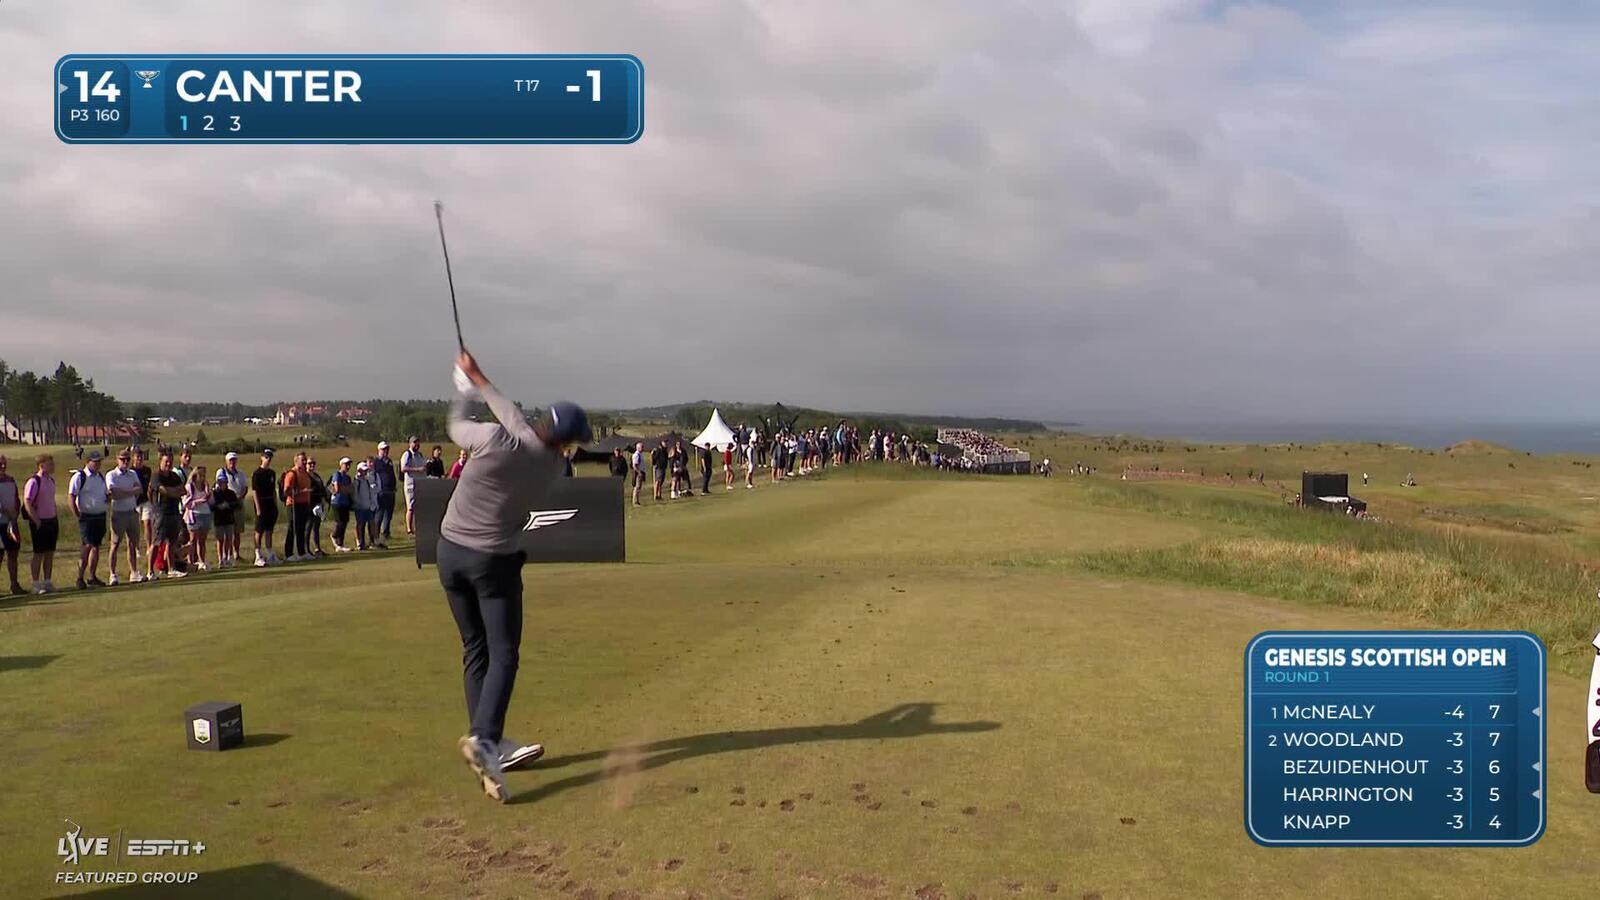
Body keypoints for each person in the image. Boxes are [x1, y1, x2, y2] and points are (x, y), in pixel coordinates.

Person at [440, 350, 588, 802]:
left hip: (449, 554)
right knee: (505, 654)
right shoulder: (552, 467)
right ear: (566, 442)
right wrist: (479, 379)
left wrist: (466, 388)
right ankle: (486, 740)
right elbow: (518, 423)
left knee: (475, 650)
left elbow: (459, 427)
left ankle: (486, 743)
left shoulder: (491, 440)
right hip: (493, 563)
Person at [68, 451, 109, 589]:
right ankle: (80, 577)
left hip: (100, 515)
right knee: (86, 547)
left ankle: (92, 576)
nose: (98, 464)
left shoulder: (100, 477)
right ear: (87, 462)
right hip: (87, 516)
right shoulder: (80, 477)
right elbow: (72, 497)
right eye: (95, 461)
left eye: (99, 462)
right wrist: (77, 515)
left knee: (96, 547)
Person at [105, 449, 144, 584]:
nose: (125, 462)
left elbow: (139, 489)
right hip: (118, 513)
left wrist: (124, 493)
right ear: (117, 459)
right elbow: (114, 493)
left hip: (132, 512)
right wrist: (130, 492)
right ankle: (113, 574)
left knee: (132, 543)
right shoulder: (111, 475)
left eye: (127, 459)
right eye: (123, 459)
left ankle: (134, 572)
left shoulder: (132, 473)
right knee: (115, 544)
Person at [22, 454, 59, 594]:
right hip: (39, 521)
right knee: (39, 553)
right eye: (50, 464)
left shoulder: (51, 481)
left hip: (51, 520)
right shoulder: (34, 481)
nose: (53, 466)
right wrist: (36, 520)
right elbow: (27, 502)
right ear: (42, 465)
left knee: (50, 552)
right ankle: (36, 584)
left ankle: (47, 581)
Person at [149, 450, 187, 580]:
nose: (168, 464)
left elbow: (183, 490)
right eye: (166, 461)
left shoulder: (174, 476)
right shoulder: (156, 476)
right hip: (160, 512)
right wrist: (172, 491)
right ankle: (150, 571)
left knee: (171, 542)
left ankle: (171, 569)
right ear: (161, 461)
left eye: (170, 461)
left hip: (173, 511)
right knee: (156, 542)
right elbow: (162, 490)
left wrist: (172, 491)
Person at [215, 452, 248, 567]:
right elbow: (218, 486)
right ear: (226, 461)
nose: (232, 463)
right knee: (225, 533)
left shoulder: (241, 473)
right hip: (225, 505)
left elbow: (245, 487)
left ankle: (235, 553)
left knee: (237, 531)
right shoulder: (222, 472)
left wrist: (240, 497)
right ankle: (224, 556)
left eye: (234, 460)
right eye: (230, 460)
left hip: (237, 503)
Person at [281, 452, 313, 562]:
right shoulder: (292, 474)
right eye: (302, 460)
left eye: (305, 460)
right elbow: (286, 491)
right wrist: (300, 491)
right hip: (294, 504)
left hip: (304, 504)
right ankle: (288, 553)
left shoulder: (305, 473)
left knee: (301, 529)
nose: (304, 462)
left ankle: (301, 552)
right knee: (292, 528)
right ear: (296, 461)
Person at [252, 449, 280, 567]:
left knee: (269, 530)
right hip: (261, 502)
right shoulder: (257, 473)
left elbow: (273, 490)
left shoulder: (271, 473)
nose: (268, 460)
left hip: (270, 503)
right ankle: (258, 554)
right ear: (262, 458)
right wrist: (258, 508)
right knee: (259, 530)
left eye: (270, 458)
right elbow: (254, 491)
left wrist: (275, 503)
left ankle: (270, 553)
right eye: (266, 457)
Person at [0, 455, 23, 594]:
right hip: (1, 522)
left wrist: (15, 513)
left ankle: (14, 584)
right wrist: (7, 513)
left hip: (10, 523)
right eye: (0, 464)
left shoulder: (10, 480)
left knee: (13, 554)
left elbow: (16, 499)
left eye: (4, 464)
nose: (3, 467)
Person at [183, 465, 213, 572]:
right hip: (193, 515)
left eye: (204, 475)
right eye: (200, 475)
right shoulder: (189, 487)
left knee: (202, 540)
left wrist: (209, 495)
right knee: (192, 540)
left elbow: (211, 501)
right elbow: (186, 503)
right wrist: (201, 500)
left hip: (205, 514)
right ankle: (190, 561)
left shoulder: (206, 486)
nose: (203, 477)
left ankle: (201, 561)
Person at [210, 468, 239, 568]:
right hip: (219, 519)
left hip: (229, 519)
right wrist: (219, 506)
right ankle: (220, 559)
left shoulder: (231, 493)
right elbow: (212, 506)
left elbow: (236, 504)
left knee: (229, 539)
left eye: (224, 481)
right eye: (220, 481)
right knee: (220, 539)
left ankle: (227, 557)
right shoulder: (215, 493)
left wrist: (228, 505)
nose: (222, 483)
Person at [401, 436, 427, 536]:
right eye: (414, 442)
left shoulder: (420, 455)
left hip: (420, 483)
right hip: (410, 484)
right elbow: (403, 468)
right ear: (410, 443)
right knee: (410, 507)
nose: (416, 445)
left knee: (419, 507)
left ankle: (418, 527)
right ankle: (409, 529)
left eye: (418, 442)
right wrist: (417, 469)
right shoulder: (407, 454)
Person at [372, 441, 397, 546]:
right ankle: (375, 535)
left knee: (389, 514)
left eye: (387, 449)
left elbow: (392, 474)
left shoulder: (389, 461)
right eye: (383, 449)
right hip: (381, 491)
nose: (385, 451)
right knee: (380, 514)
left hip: (390, 490)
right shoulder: (376, 462)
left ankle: (386, 533)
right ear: (379, 450)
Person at [329, 457, 355, 552]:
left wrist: (345, 489)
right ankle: (334, 536)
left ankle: (340, 544)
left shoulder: (347, 477)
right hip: (337, 502)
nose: (348, 466)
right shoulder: (337, 474)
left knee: (344, 522)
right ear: (341, 465)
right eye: (346, 464)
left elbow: (351, 490)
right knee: (340, 522)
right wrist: (346, 489)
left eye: (349, 465)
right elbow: (337, 488)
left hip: (345, 502)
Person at [133, 447, 154, 556]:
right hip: (134, 502)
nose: (139, 459)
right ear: (133, 458)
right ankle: (136, 548)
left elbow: (150, 485)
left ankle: (149, 546)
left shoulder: (147, 470)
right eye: (137, 457)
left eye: (141, 457)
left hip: (145, 500)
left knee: (147, 524)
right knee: (136, 527)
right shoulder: (131, 470)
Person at [354, 459, 379, 550]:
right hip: (360, 507)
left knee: (372, 523)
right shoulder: (357, 480)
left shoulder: (367, 480)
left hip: (368, 506)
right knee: (360, 525)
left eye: (366, 470)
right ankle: (359, 542)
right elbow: (355, 494)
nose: (365, 472)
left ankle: (375, 541)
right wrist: (358, 504)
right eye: (363, 470)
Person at [307, 457, 328, 557]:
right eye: (310, 463)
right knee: (308, 527)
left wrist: (324, 500)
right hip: (309, 505)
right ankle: (306, 550)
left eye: (313, 463)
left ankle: (317, 548)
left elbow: (322, 489)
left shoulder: (316, 476)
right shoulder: (306, 476)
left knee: (316, 527)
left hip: (318, 504)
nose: (312, 465)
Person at [630, 441, 646, 507]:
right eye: (642, 447)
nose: (643, 448)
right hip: (637, 473)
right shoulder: (636, 455)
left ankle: (637, 501)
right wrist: (639, 472)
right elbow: (634, 465)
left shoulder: (641, 454)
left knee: (639, 487)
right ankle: (635, 502)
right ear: (638, 447)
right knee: (637, 487)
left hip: (641, 472)